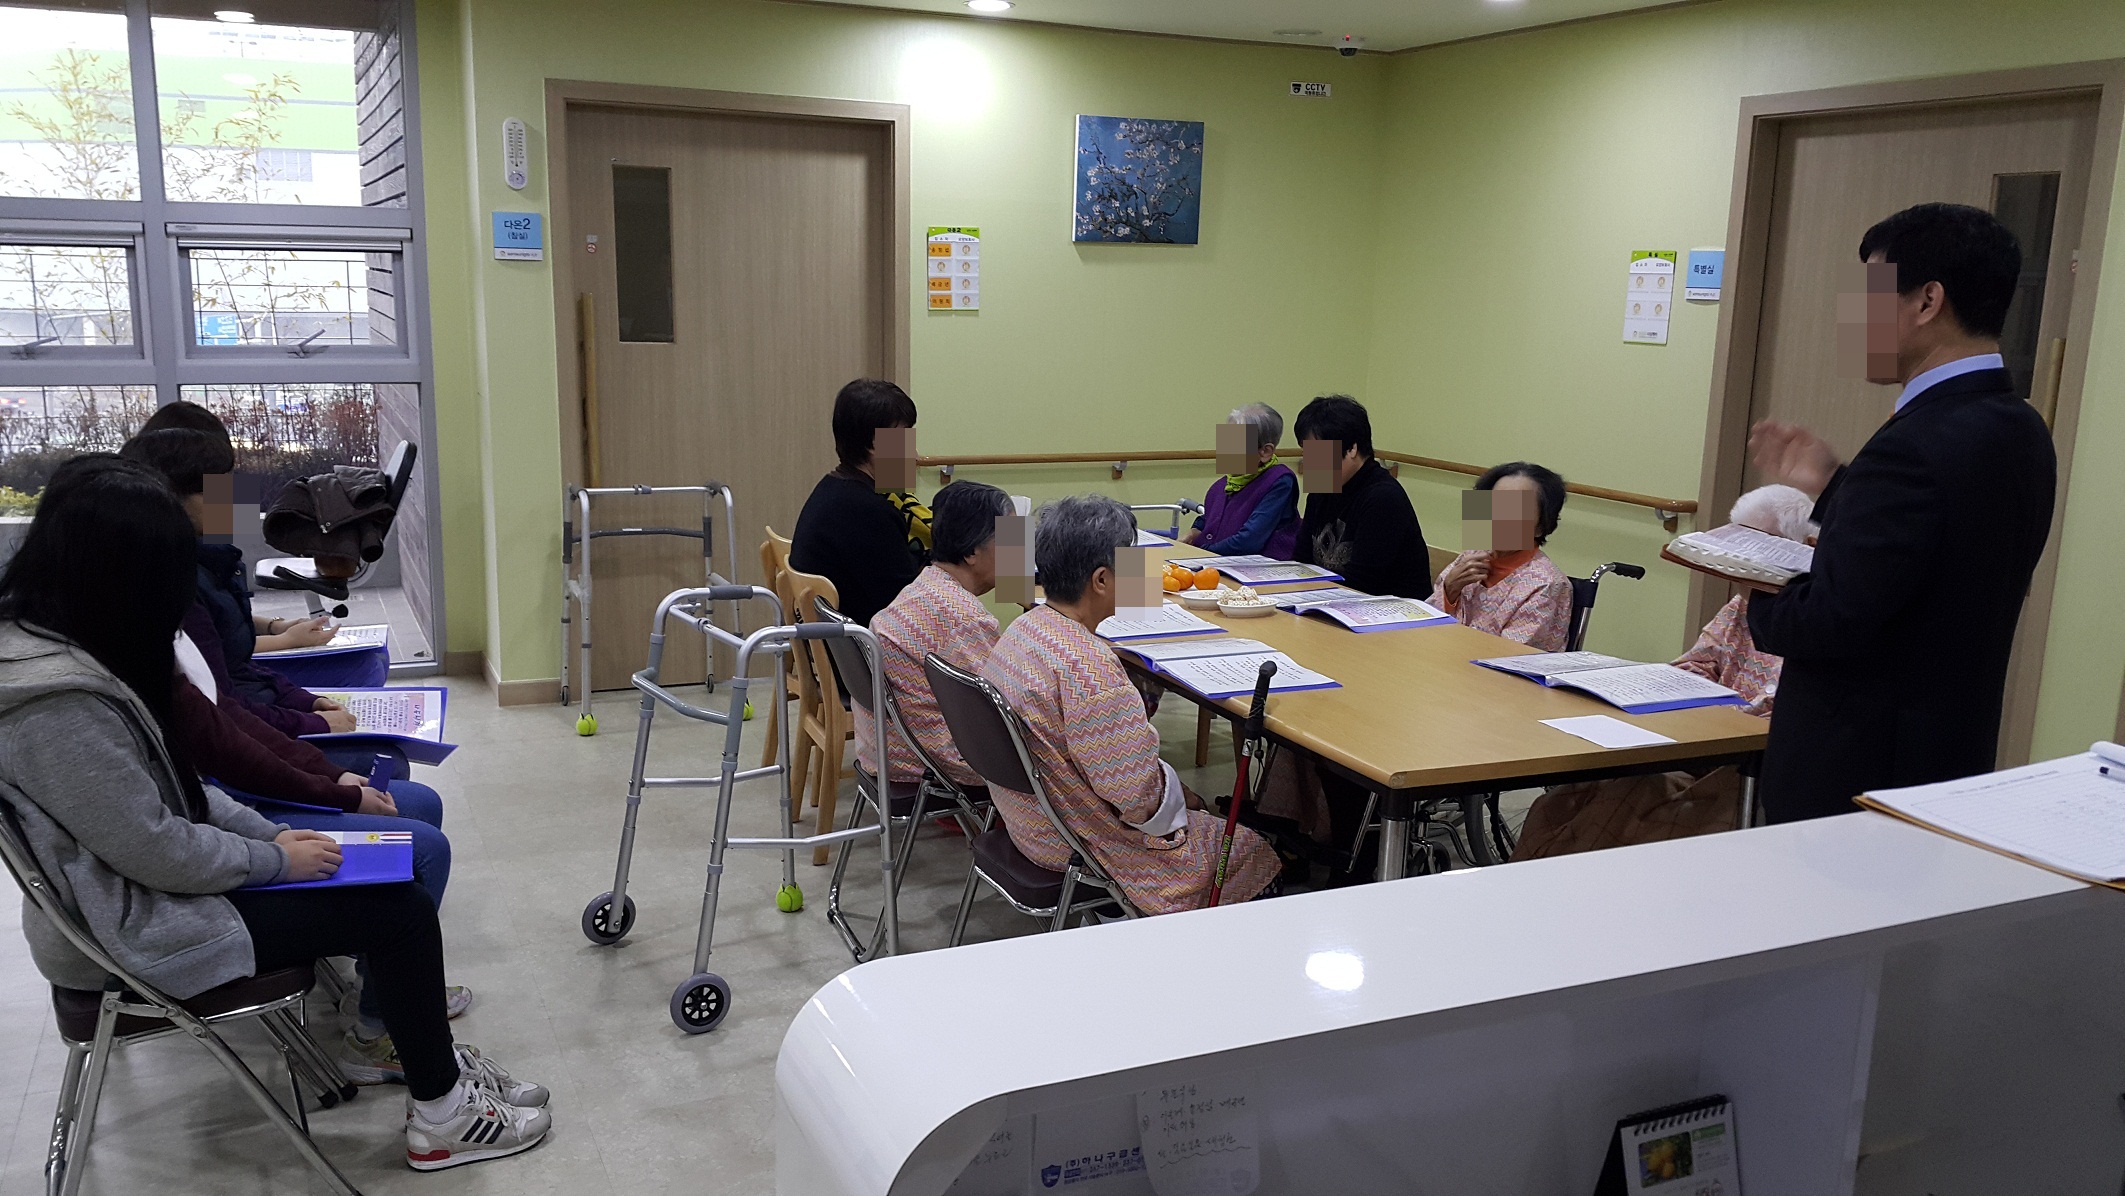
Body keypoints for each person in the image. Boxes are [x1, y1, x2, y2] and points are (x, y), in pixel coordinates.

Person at [0, 457, 550, 1171]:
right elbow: (155, 848)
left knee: (387, 874)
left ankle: (435, 1072)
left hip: (156, 897)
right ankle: (442, 1116)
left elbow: (181, 792)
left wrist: (274, 835)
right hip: (137, 929)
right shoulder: (59, 706)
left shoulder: (77, 647)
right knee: (397, 909)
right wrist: (274, 860)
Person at [1747, 202, 2056, 822]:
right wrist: (1835, 485)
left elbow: (1831, 622)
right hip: (1946, 757)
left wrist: (1753, 580)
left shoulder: (1912, 444)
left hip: (1854, 774)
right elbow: (1931, 561)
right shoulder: (2021, 428)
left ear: (1926, 301)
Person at [981, 495, 1279, 914]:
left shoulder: (1022, 629)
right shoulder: (1090, 668)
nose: (1140, 575)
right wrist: (1182, 797)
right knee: (1251, 850)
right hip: (1083, 845)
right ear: (1102, 579)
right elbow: (1138, 799)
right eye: (1132, 564)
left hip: (1028, 823)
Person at [1511, 485, 1812, 859]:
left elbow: (1778, 711)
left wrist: (1711, 714)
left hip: (1745, 767)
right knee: (1565, 802)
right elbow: (1696, 663)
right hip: (1697, 745)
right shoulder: (1741, 605)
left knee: (1628, 816)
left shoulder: (1809, 621)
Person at [121, 426, 351, 740]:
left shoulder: (215, 551)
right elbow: (223, 684)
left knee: (370, 667)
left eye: (231, 480)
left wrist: (276, 630)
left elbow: (230, 637)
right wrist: (287, 641)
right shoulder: (174, 579)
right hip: (244, 718)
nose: (233, 495)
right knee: (366, 670)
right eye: (216, 485)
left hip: (252, 697)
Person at [856, 481, 1013, 789]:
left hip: (889, 750)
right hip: (936, 762)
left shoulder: (923, 588)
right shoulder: (966, 620)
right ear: (972, 551)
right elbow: (1003, 714)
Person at [790, 379, 928, 625]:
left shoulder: (832, 490)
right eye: (905, 438)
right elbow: (905, 608)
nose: (914, 455)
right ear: (875, 443)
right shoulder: (866, 511)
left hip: (828, 638)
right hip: (859, 643)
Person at [1291, 395, 1431, 599]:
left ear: (1351, 448)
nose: (1308, 462)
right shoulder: (1322, 487)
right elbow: (1301, 561)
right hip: (1332, 603)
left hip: (1387, 611)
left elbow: (1362, 585)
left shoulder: (1383, 497)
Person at [1435, 462, 1573, 651]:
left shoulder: (1548, 585)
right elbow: (1422, 623)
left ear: (1541, 526)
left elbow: (1510, 656)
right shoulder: (1471, 555)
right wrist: (1449, 590)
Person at [1181, 403, 1301, 557]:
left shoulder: (1280, 481)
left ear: (1265, 452)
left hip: (1257, 566)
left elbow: (1249, 540)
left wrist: (1199, 553)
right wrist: (1193, 532)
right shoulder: (1222, 485)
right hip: (1215, 561)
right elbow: (1209, 519)